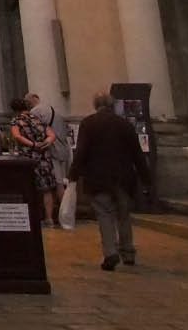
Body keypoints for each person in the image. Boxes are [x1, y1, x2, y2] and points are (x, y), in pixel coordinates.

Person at [68, 90, 149, 270]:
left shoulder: (89, 124)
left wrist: (73, 174)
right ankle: (128, 251)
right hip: (123, 177)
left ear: (96, 105)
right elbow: (137, 153)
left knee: (104, 214)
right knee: (123, 214)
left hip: (98, 177)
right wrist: (146, 177)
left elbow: (81, 151)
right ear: (112, 105)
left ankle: (110, 252)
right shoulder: (124, 124)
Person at [8, 96, 59, 223]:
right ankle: (49, 217)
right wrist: (46, 142)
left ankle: (33, 216)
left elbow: (17, 136)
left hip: (27, 159)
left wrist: (32, 145)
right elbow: (52, 134)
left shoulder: (16, 120)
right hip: (44, 157)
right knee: (46, 189)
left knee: (29, 188)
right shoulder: (37, 119)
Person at [28, 92, 70, 218]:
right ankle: (63, 215)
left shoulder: (35, 112)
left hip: (51, 150)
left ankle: (62, 215)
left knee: (56, 184)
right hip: (62, 148)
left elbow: (36, 132)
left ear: (33, 99)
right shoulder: (52, 109)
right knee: (60, 182)